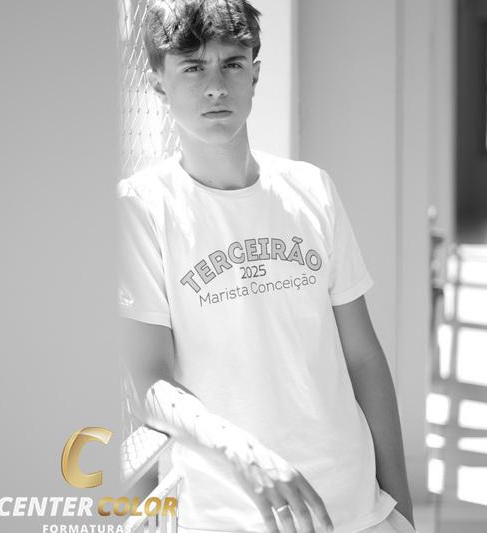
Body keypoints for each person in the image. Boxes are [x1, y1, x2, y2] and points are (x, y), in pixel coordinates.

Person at [117, 1, 415, 532]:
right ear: (158, 83)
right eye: (193, 67)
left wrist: (401, 507)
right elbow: (149, 381)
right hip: (228, 514)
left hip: (353, 508)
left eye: (232, 64)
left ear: (255, 74)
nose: (215, 86)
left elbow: (364, 357)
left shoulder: (312, 188)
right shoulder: (142, 208)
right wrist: (242, 451)